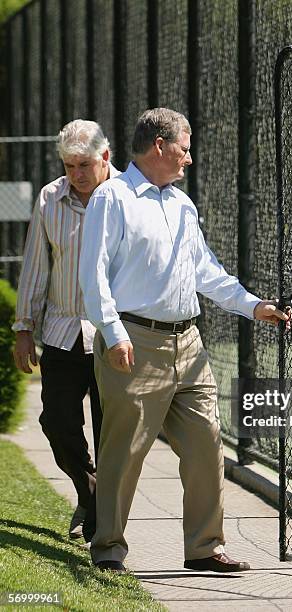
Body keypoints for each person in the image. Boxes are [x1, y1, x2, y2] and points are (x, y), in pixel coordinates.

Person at [79, 107, 290, 573]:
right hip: (133, 344)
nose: (188, 159)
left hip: (188, 344)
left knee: (206, 441)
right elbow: (92, 278)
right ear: (160, 145)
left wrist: (253, 305)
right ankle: (108, 548)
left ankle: (204, 547)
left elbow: (206, 272)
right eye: (185, 148)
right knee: (124, 451)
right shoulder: (111, 199)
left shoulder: (181, 205)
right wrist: (113, 335)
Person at [13, 119, 120, 540]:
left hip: (114, 335)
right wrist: (24, 328)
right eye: (69, 164)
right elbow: (37, 264)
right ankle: (88, 491)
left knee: (109, 430)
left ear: (105, 158)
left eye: (85, 164)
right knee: (56, 423)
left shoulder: (126, 197)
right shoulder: (50, 197)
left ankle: (103, 525)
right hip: (62, 331)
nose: (76, 174)